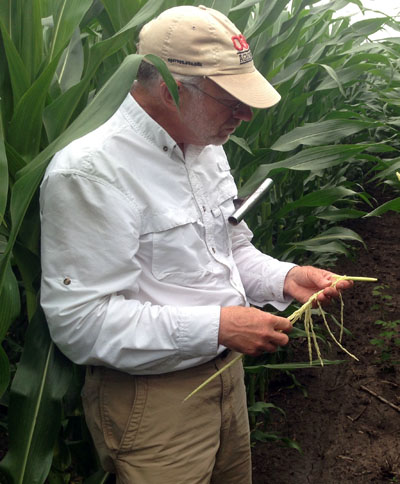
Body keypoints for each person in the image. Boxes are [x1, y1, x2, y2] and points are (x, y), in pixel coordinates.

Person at [40, 6, 352, 484]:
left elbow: (229, 248)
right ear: (168, 87)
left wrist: (285, 278)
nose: (244, 116)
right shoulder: (92, 172)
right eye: (231, 100)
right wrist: (219, 326)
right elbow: (82, 322)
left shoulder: (205, 145)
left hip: (226, 377)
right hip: (155, 402)